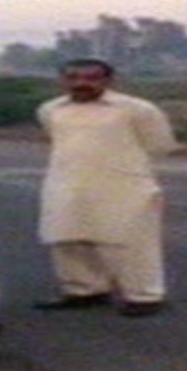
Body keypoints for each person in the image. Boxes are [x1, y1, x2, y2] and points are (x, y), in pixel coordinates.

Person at [34, 58, 178, 317]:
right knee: (67, 238)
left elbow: (159, 145)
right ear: (63, 80)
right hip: (66, 183)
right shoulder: (50, 109)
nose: (81, 83)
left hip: (124, 186)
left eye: (91, 78)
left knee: (130, 242)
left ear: (108, 81)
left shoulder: (137, 109)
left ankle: (145, 296)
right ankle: (83, 291)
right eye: (73, 77)